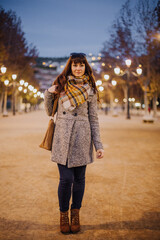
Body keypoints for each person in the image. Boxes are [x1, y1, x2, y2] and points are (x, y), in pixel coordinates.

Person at [44, 52, 104, 234]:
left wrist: (98, 145)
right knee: (66, 179)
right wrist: (48, 93)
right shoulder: (60, 86)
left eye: (81, 65)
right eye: (75, 65)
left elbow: (94, 119)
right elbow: (49, 112)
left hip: (82, 137)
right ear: (70, 66)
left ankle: (75, 213)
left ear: (86, 67)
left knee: (79, 179)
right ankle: (63, 215)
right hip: (62, 136)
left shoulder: (91, 90)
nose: (78, 68)